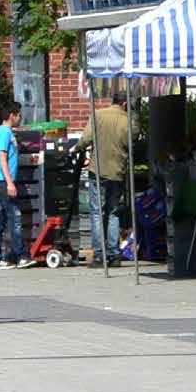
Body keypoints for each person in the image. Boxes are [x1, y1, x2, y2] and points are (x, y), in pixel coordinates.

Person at [76, 91, 130, 267]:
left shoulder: (97, 115)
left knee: (97, 212)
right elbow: (132, 140)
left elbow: (86, 139)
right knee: (113, 212)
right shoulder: (127, 119)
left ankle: (99, 254)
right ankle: (114, 254)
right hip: (118, 171)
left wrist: (76, 149)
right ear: (124, 104)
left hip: (98, 170)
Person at [0, 102, 36, 270]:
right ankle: (22, 255)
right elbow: (2, 158)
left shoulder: (1, 133)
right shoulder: (5, 133)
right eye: (19, 115)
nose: (20, 118)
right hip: (3, 181)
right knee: (14, 217)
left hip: (0, 180)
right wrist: (9, 182)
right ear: (12, 115)